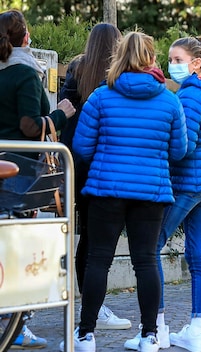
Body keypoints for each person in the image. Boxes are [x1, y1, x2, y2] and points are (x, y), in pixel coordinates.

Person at [66, 31, 187, 352]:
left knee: (98, 260)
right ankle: (149, 337)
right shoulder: (170, 100)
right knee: (146, 261)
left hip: (107, 189)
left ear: (119, 57)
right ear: (151, 58)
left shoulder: (101, 97)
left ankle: (86, 336)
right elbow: (179, 151)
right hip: (151, 192)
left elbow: (81, 147)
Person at [124, 36, 201, 352]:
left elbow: (182, 145)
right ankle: (197, 332)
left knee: (151, 247)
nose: (170, 65)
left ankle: (156, 328)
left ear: (196, 63)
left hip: (187, 181)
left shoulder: (189, 94)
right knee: (197, 255)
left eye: (176, 59)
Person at [0, 8, 75, 350]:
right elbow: (30, 127)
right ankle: (16, 325)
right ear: (24, 36)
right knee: (19, 246)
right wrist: (60, 113)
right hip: (19, 171)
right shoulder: (25, 73)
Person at [58, 22, 131, 331]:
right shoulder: (116, 78)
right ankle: (95, 307)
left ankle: (85, 304)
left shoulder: (76, 71)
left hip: (74, 164)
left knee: (79, 236)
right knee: (97, 239)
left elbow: (65, 117)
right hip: (104, 165)